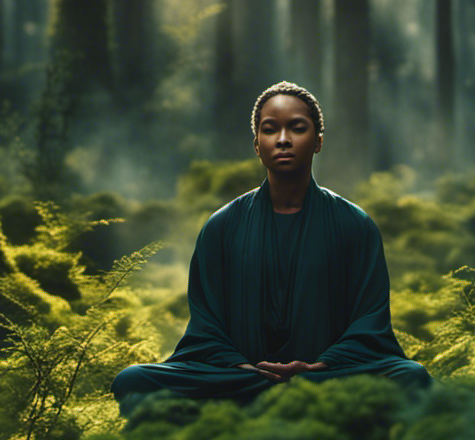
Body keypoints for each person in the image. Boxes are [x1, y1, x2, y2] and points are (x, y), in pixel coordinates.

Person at [111, 81, 432, 416]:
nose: (282, 139)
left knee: (411, 376)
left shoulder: (354, 225)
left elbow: (370, 321)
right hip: (240, 378)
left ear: (318, 141)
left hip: (326, 375)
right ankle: (272, 396)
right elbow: (206, 326)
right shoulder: (222, 226)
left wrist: (319, 367)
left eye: (297, 128)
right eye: (270, 129)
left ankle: (288, 396)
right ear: (256, 144)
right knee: (133, 379)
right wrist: (241, 367)